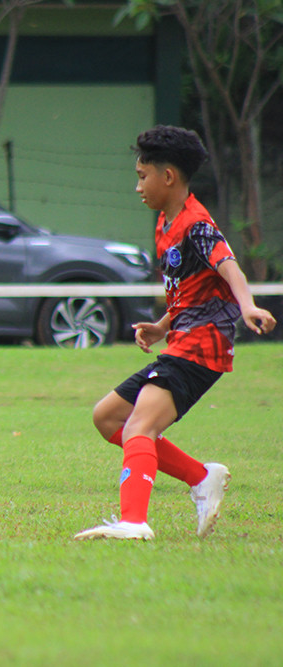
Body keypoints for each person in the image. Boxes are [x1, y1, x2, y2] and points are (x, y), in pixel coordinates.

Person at [75, 125, 276, 541]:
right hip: (184, 339)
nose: (137, 187)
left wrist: (248, 305)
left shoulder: (197, 224)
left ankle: (134, 522)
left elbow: (228, 267)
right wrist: (163, 325)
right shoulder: (166, 222)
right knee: (108, 417)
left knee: (138, 427)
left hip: (203, 347)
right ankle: (201, 477)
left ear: (168, 177)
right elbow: (192, 289)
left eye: (142, 175)